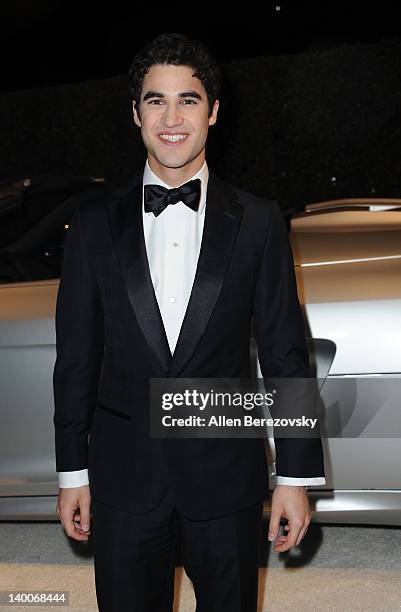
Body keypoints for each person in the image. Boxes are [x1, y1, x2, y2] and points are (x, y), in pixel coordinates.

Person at [53, 32, 325, 612]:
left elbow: (284, 353)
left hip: (226, 475)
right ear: (135, 113)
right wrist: (72, 470)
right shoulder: (93, 224)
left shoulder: (258, 221)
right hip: (124, 478)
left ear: (214, 111)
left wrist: (295, 479)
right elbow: (77, 357)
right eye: (156, 100)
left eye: (188, 100)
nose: (171, 118)